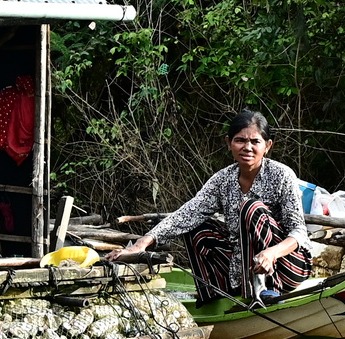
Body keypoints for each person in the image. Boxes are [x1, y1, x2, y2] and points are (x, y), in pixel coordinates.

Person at [114, 110, 314, 299]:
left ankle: (264, 290)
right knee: (197, 227)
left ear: (267, 146)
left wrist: (271, 253)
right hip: (242, 266)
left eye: (255, 142)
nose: (248, 147)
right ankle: (214, 295)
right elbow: (188, 213)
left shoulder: (281, 175)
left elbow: (298, 231)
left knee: (251, 208)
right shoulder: (223, 179)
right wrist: (142, 243)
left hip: (286, 266)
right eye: (240, 140)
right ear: (229, 143)